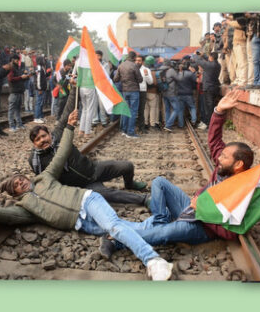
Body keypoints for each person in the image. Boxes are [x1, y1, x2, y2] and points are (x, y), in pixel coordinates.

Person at [0, 110, 173, 281]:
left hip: (86, 200)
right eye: (16, 186)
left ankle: (153, 260)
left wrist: (69, 127)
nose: (21, 182)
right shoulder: (26, 206)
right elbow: (10, 217)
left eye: (20, 179)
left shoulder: (44, 177)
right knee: (130, 227)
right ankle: (166, 222)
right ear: (16, 194)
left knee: (114, 227)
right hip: (80, 223)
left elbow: (62, 152)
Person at [99, 90, 247, 255]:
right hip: (192, 208)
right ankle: (160, 220)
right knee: (159, 182)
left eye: (225, 157)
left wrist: (204, 211)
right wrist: (219, 111)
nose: (219, 158)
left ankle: (117, 240)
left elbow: (231, 232)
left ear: (238, 164)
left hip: (202, 226)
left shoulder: (242, 191)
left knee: (165, 233)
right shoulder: (225, 168)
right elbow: (215, 141)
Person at [27, 97, 148, 205]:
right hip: (82, 186)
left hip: (94, 169)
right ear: (34, 144)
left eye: (44, 136)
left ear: (49, 134)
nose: (42, 140)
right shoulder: (36, 161)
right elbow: (45, 180)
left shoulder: (58, 135)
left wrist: (74, 88)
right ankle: (143, 199)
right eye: (38, 139)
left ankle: (130, 184)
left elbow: (66, 112)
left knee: (127, 166)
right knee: (108, 194)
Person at [113, 52, 143, 138]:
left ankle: (124, 130)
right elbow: (140, 79)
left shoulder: (121, 65)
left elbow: (116, 79)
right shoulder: (134, 66)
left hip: (124, 91)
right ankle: (130, 132)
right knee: (133, 112)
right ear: (134, 58)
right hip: (134, 91)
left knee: (126, 111)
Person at [193, 52, 221, 129]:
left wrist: (196, 55)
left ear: (211, 57)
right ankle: (210, 123)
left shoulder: (209, 65)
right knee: (211, 106)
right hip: (214, 87)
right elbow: (208, 60)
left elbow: (198, 61)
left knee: (208, 107)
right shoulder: (218, 65)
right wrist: (204, 55)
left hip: (208, 88)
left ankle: (209, 124)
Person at [7, 54, 30, 132]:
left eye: (18, 60)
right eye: (16, 59)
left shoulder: (17, 68)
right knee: (12, 109)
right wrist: (21, 77)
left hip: (19, 91)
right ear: (12, 59)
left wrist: (25, 77)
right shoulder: (11, 68)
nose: (18, 61)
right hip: (14, 91)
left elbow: (18, 79)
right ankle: (11, 126)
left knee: (17, 109)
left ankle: (19, 124)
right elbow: (10, 79)